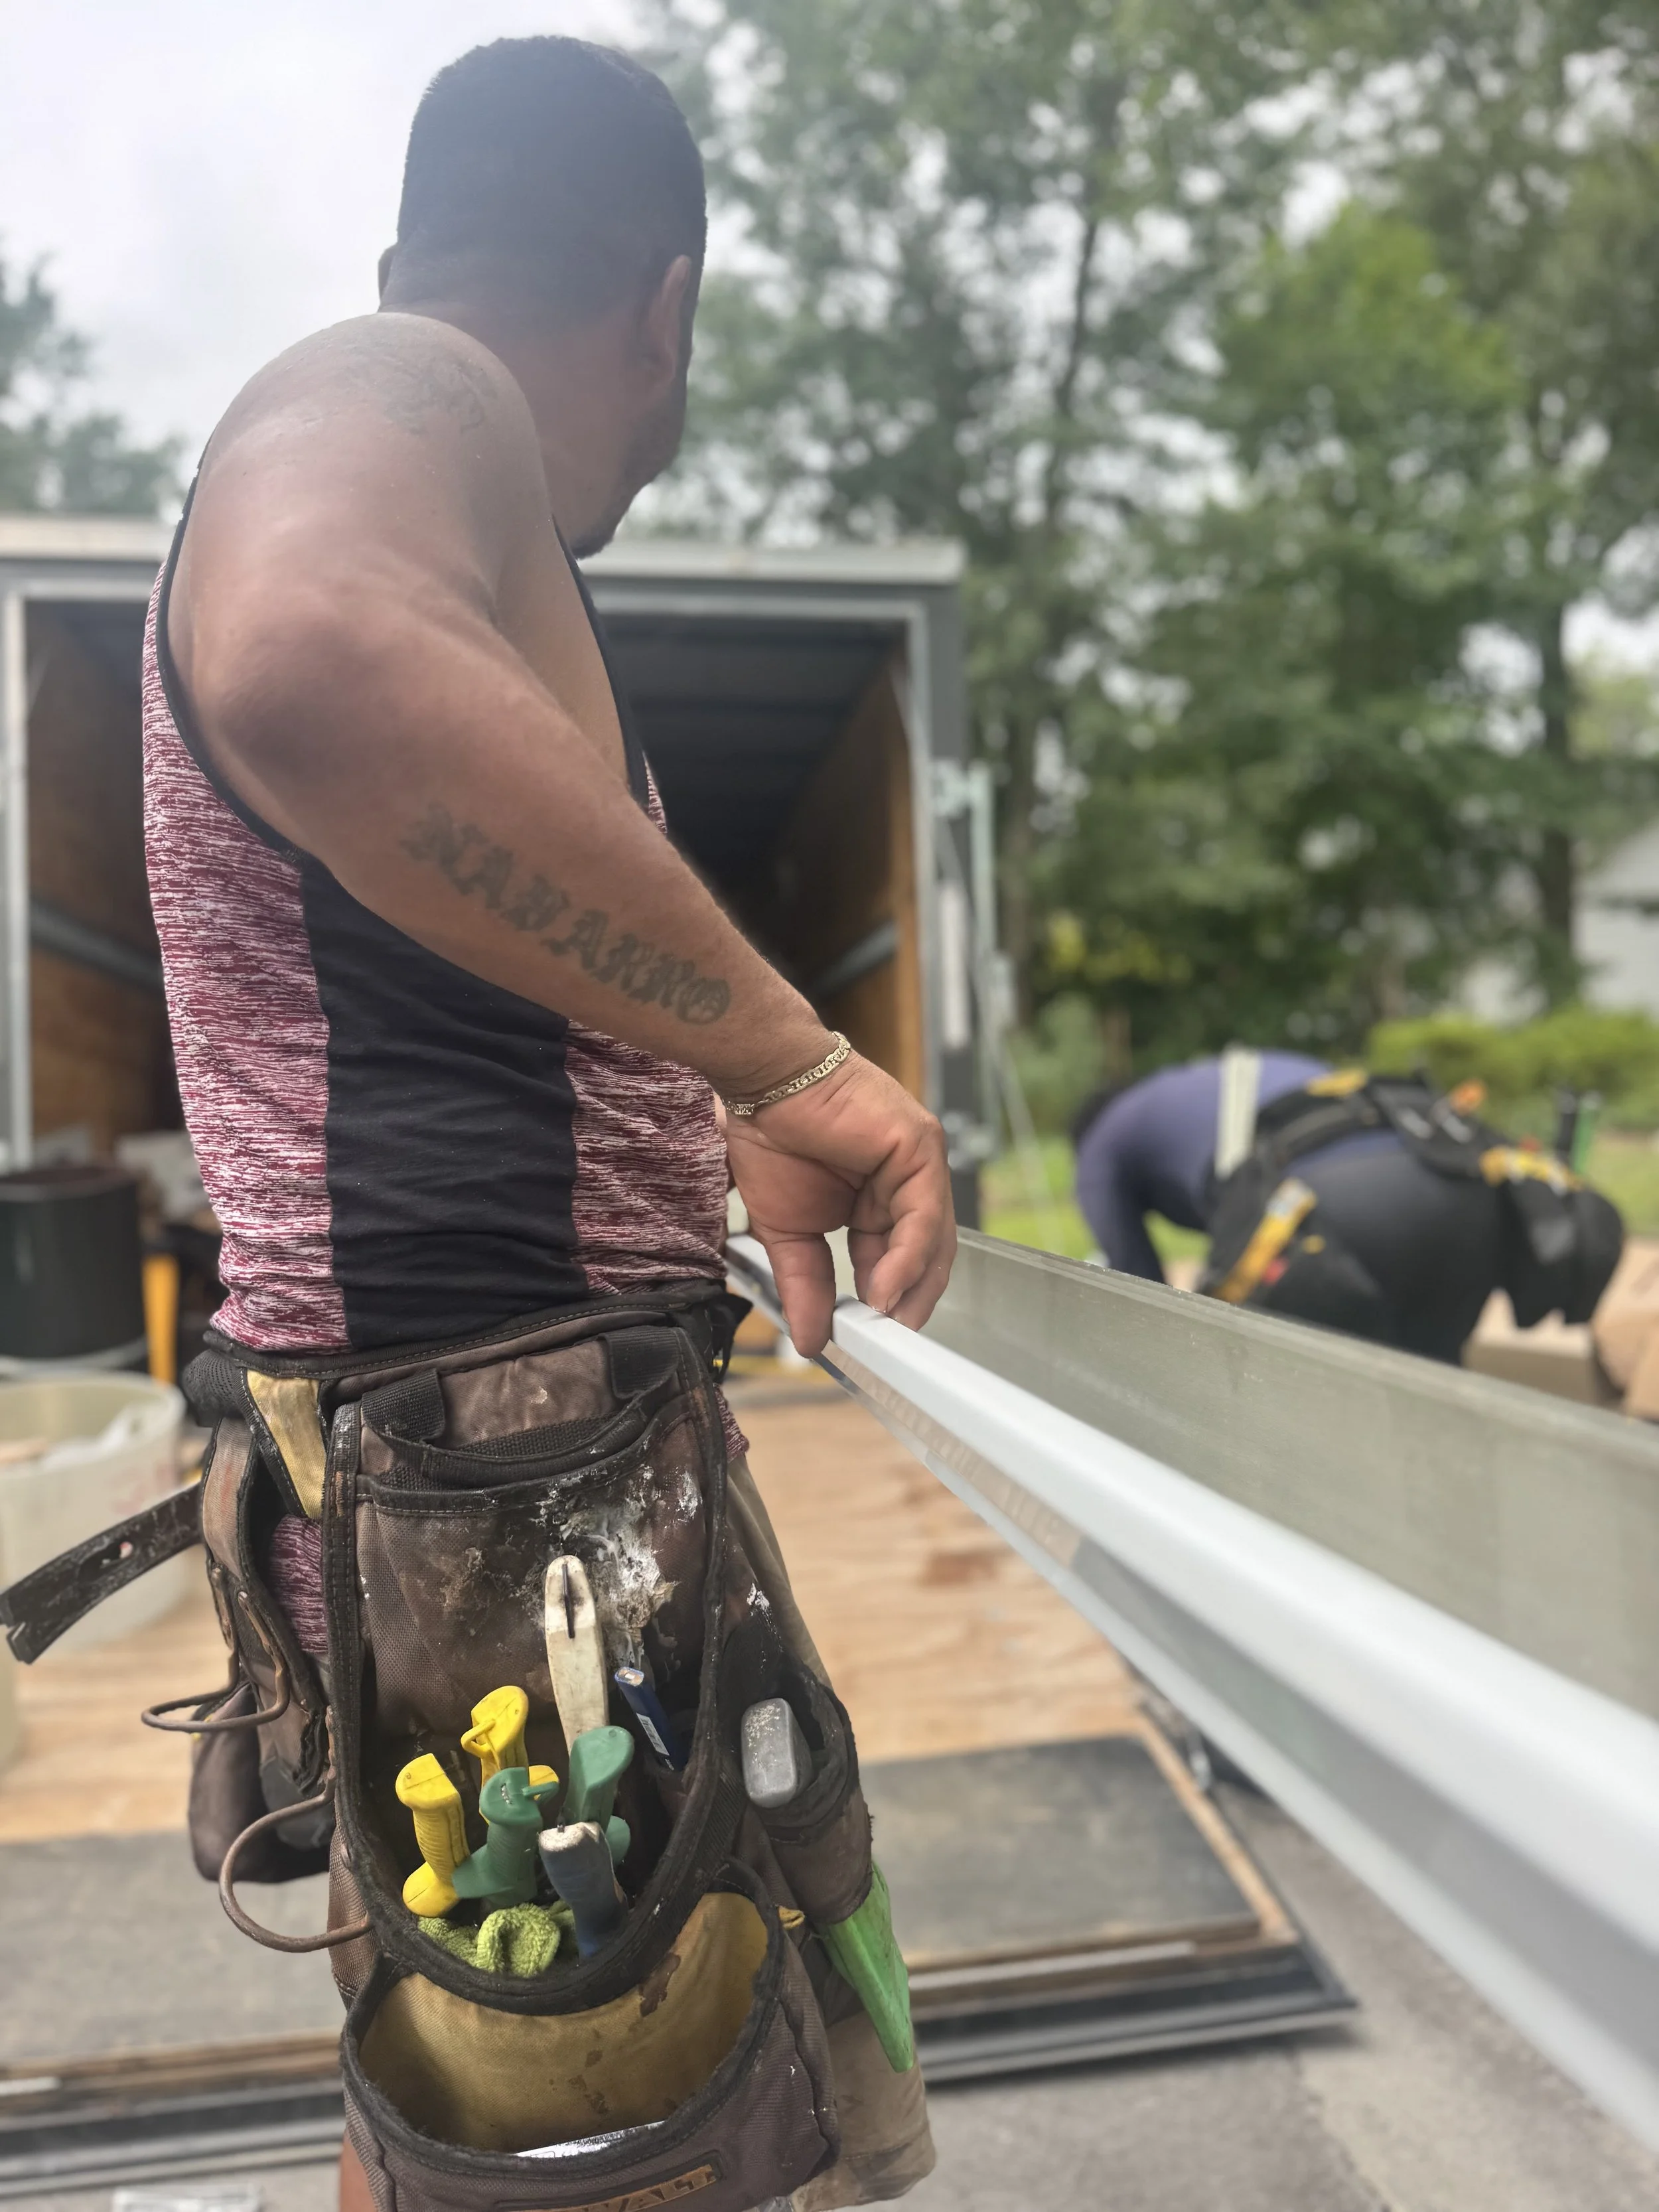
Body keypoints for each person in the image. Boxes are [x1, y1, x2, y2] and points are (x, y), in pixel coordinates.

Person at [143, 37, 952, 2211]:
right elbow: (312, 649)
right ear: (665, 306)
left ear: (421, 243)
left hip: (504, 1487)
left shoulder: (422, 438)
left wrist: (704, 1103)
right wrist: (786, 1059)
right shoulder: (409, 393)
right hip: (495, 1501)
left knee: (519, 2110)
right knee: (596, 2133)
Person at [1072, 1052, 1508, 1363]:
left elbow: (1138, 1297)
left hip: (1327, 1204)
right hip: (1458, 1186)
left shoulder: (1101, 1143)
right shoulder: (1212, 1081)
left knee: (1285, 1402)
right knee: (1433, 1393)